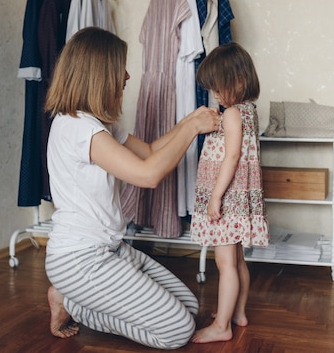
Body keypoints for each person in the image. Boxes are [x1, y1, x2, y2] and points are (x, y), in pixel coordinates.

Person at [43, 27, 220, 350]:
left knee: (190, 309)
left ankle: (76, 298)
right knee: (177, 331)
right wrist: (193, 127)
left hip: (108, 249)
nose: (126, 76)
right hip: (80, 259)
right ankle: (74, 303)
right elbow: (148, 175)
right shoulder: (79, 128)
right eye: (119, 68)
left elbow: (150, 152)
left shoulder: (99, 124)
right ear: (100, 74)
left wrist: (187, 123)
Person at [190, 42, 269, 343]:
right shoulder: (249, 110)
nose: (217, 96)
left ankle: (222, 325)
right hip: (239, 201)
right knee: (237, 261)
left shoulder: (233, 114)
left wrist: (215, 196)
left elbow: (232, 157)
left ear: (238, 80)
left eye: (220, 89)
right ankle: (238, 313)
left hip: (228, 200)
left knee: (225, 264)